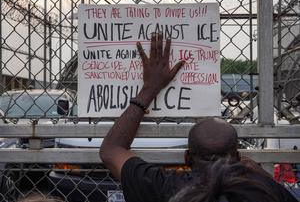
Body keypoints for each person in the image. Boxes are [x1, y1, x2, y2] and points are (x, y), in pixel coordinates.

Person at [99, 32, 298, 202]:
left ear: (187, 157)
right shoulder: (262, 192)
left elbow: (111, 149)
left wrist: (149, 88)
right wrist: (262, 176)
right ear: (238, 157)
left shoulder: (165, 187)